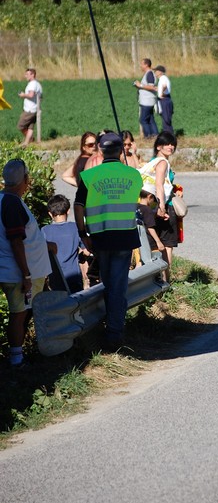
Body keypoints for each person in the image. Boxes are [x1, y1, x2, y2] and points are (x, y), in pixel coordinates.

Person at [74, 132, 143, 350]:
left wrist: (83, 233)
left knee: (108, 284)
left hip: (100, 237)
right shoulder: (134, 175)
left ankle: (111, 330)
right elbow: (139, 200)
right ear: (121, 150)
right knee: (118, 286)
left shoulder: (89, 176)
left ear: (101, 151)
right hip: (124, 237)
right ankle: (115, 332)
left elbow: (78, 206)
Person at [0, 159, 54, 367]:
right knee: (19, 314)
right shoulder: (11, 203)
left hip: (18, 271)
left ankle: (20, 355)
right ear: (24, 179)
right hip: (18, 273)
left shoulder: (7, 200)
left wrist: (45, 245)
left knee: (22, 313)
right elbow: (15, 241)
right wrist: (26, 275)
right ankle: (16, 360)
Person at [139, 131, 179, 281]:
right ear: (158, 146)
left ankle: (152, 279)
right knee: (167, 245)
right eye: (167, 144)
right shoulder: (162, 162)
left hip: (149, 206)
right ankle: (165, 280)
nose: (171, 146)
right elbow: (159, 185)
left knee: (152, 244)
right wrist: (162, 207)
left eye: (172, 144)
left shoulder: (152, 161)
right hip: (162, 206)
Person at [42, 194, 91, 292]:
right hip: (74, 277)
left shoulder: (45, 230)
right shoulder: (75, 227)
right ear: (68, 211)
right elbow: (87, 252)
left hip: (55, 278)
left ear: (50, 214)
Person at [136, 183, 165, 258]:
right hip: (149, 242)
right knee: (153, 261)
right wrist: (158, 242)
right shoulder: (147, 210)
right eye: (154, 199)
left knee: (140, 262)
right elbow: (150, 227)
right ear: (150, 197)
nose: (154, 202)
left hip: (137, 240)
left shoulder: (136, 207)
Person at [133, 58, 159, 138]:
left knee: (143, 120)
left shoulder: (150, 74)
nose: (140, 66)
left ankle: (148, 137)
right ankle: (155, 135)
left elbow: (152, 87)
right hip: (149, 101)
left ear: (146, 65)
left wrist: (139, 85)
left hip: (147, 101)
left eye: (142, 64)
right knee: (150, 119)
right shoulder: (149, 73)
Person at [17, 68, 43, 147]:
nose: (25, 76)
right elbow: (41, 97)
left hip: (30, 110)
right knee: (30, 127)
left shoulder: (32, 84)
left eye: (27, 74)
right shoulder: (38, 84)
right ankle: (27, 142)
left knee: (20, 126)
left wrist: (23, 95)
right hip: (35, 109)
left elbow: (31, 95)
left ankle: (30, 139)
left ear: (32, 74)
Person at [153, 65, 174, 134]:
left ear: (160, 72)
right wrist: (158, 89)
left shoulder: (163, 78)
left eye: (156, 71)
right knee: (165, 120)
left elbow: (164, 86)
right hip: (164, 100)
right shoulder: (162, 78)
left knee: (166, 120)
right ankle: (168, 136)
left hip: (165, 100)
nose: (155, 72)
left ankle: (169, 136)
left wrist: (161, 93)